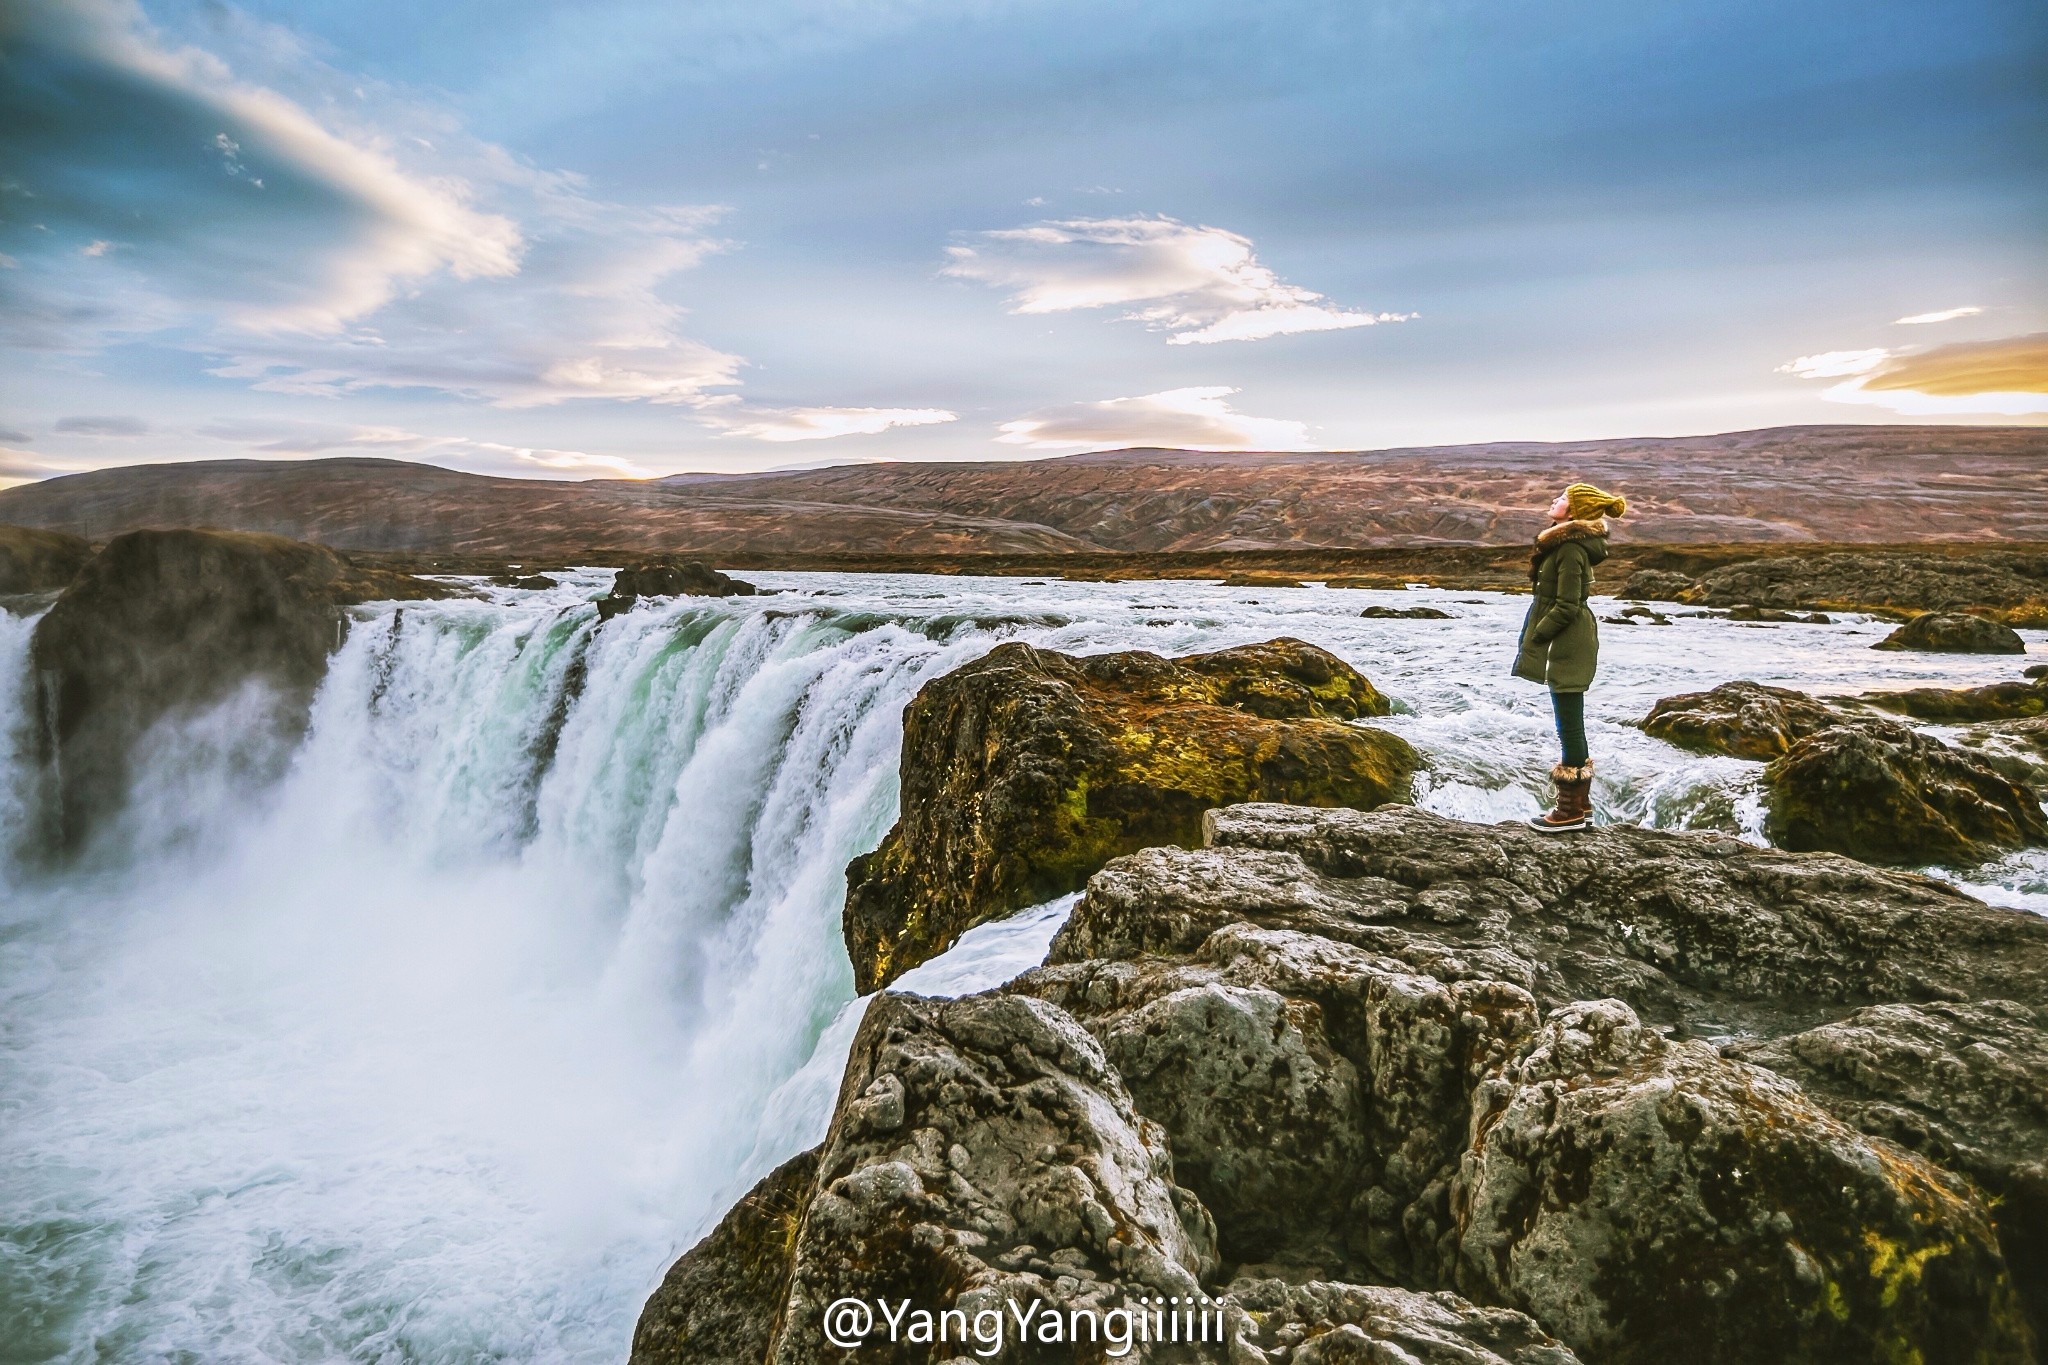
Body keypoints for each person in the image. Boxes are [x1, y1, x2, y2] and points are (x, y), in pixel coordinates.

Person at [1513, 482, 1627, 832]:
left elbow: (1567, 604)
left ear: (1576, 511)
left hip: (1568, 640)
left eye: (1562, 498)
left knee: (1569, 722)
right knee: (1568, 719)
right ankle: (1582, 806)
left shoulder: (1571, 549)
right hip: (1567, 639)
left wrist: (1539, 633)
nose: (1554, 500)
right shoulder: (1565, 544)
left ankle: (1569, 812)